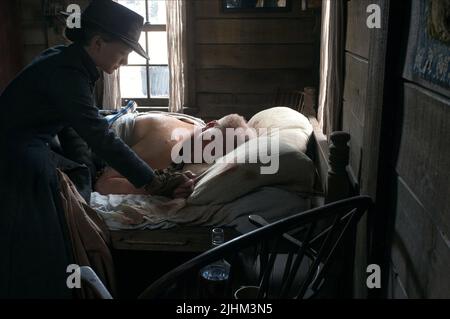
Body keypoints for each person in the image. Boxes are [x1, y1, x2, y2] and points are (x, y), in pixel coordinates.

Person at [0, 0, 193, 298]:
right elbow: (100, 136)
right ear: (99, 42)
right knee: (40, 251)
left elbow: (74, 127)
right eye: (124, 52)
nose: (126, 61)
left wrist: (87, 179)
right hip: (16, 160)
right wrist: (155, 181)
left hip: (24, 149)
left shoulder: (70, 63)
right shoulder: (67, 73)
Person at [95, 113, 255, 195]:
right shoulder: (168, 147)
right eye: (212, 143)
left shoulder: (197, 127)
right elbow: (104, 184)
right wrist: (161, 190)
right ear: (210, 125)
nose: (207, 155)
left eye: (217, 154)